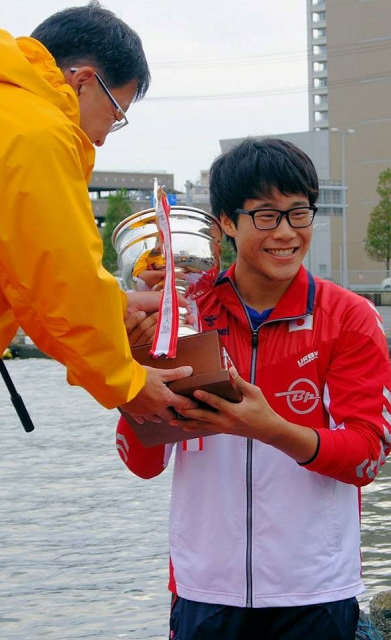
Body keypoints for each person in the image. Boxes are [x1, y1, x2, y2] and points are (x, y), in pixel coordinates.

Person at [116, 137, 391, 639]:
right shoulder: (185, 314)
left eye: (298, 213)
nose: (286, 232)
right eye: (265, 215)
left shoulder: (348, 318)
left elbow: (366, 458)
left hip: (315, 591)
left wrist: (270, 429)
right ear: (225, 222)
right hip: (205, 589)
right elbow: (143, 464)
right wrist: (133, 374)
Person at [0, 1, 196, 421]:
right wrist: (125, 381)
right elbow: (57, 280)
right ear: (84, 81)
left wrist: (117, 305)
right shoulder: (35, 129)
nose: (104, 137)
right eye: (116, 113)